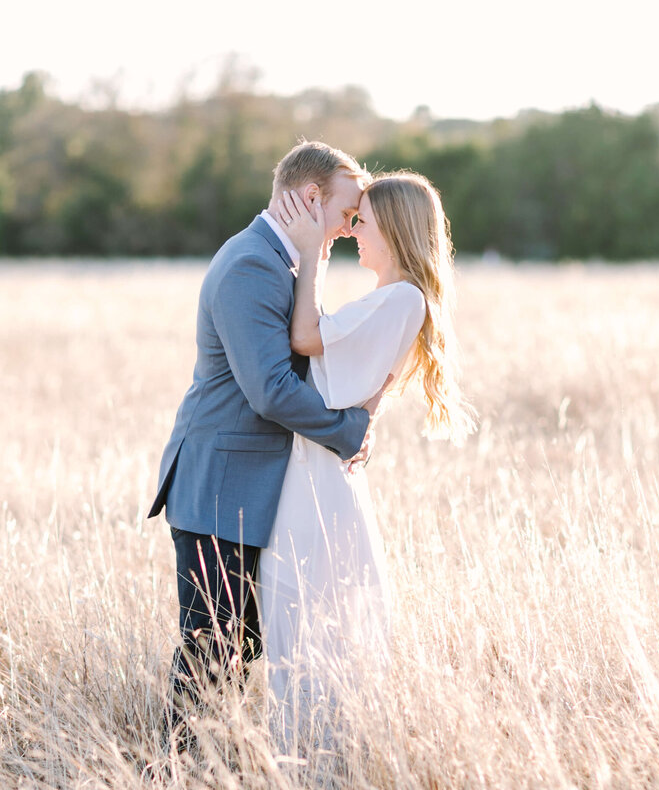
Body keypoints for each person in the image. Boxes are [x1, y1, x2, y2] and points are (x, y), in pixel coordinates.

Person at [147, 141, 388, 750]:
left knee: (241, 641)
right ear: (311, 199)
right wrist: (349, 432)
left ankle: (207, 764)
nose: (351, 226)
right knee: (212, 650)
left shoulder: (288, 262)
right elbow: (272, 392)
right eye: (348, 213)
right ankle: (173, 771)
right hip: (219, 488)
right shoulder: (253, 263)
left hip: (248, 491)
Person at [260, 171, 476, 757]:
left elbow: (305, 337)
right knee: (299, 615)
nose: (355, 231)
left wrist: (310, 253)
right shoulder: (392, 299)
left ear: (396, 231)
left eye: (365, 222)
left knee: (308, 615)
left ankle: (315, 755)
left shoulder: (402, 298)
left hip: (319, 478)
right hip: (317, 468)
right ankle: (304, 752)